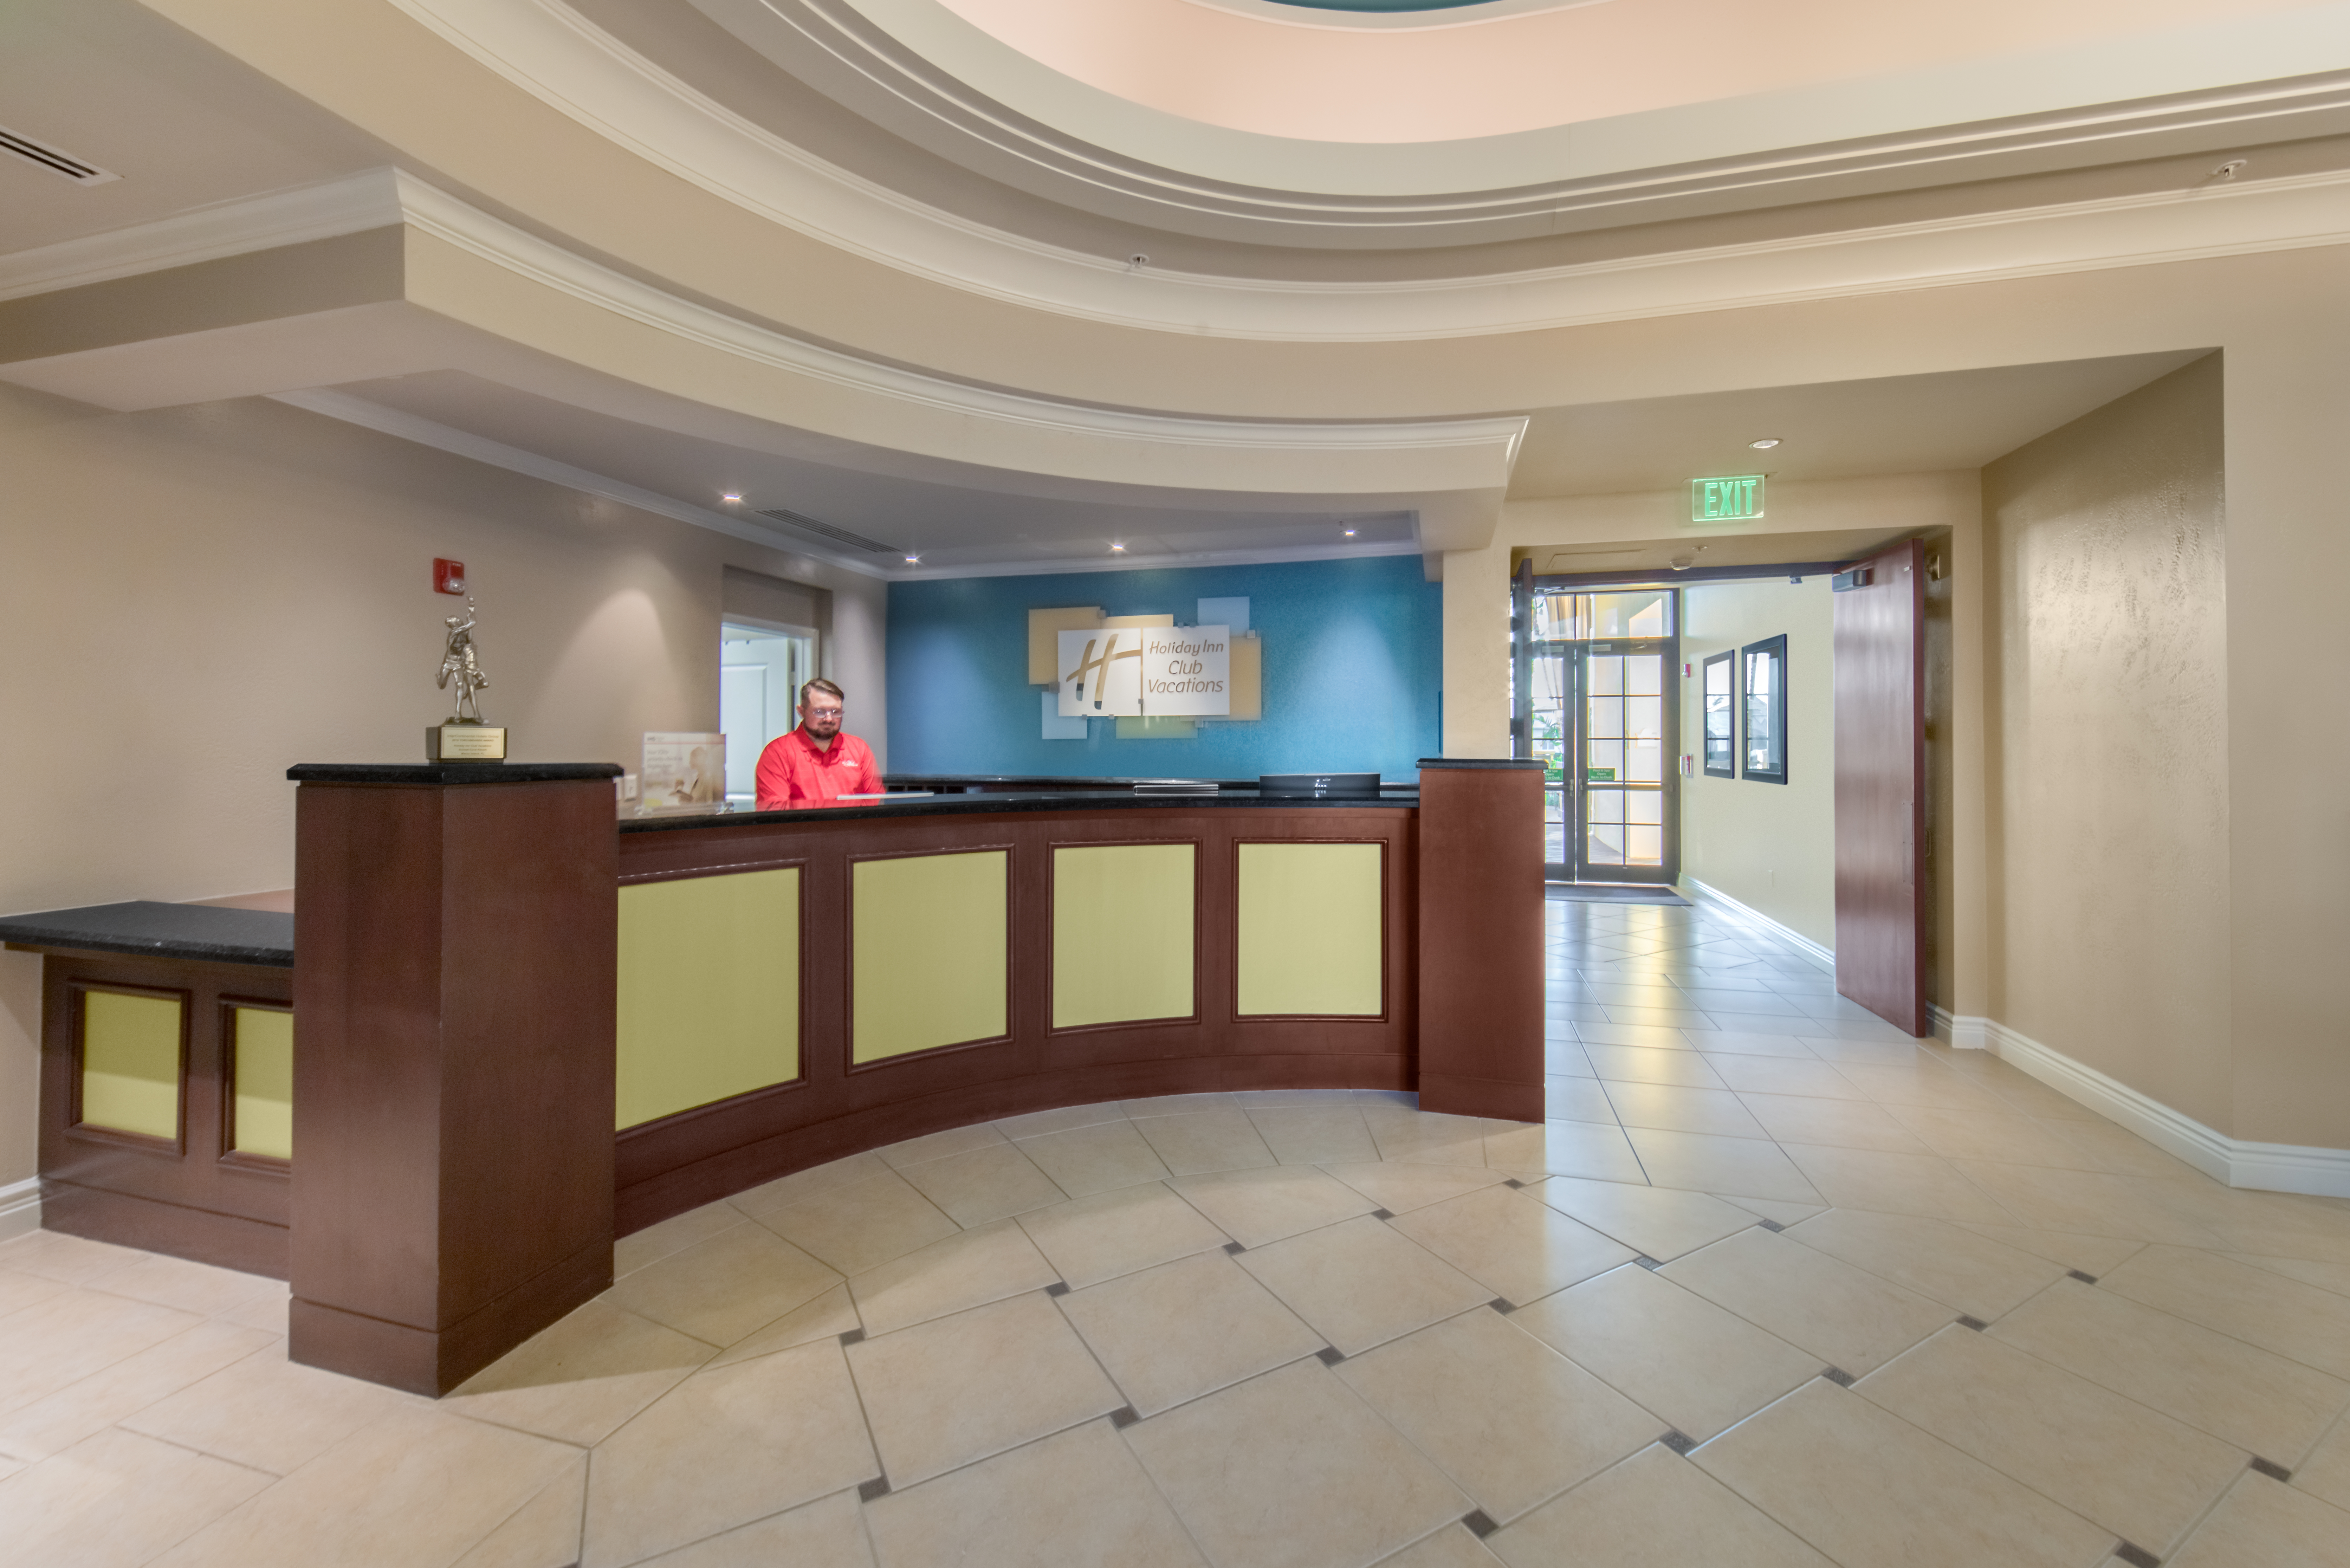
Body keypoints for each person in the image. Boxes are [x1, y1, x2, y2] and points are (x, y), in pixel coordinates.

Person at [755, 678, 883, 808]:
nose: (829, 719)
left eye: (836, 712)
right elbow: (774, 812)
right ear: (801, 712)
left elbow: (876, 800)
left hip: (853, 828)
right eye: (820, 712)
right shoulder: (777, 753)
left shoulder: (859, 749)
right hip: (803, 829)